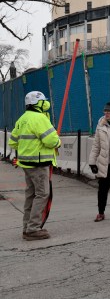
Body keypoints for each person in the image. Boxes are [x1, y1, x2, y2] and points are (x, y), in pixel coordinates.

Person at [9, 91, 61, 241]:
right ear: (38, 103)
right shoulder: (40, 118)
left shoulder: (22, 119)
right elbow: (51, 141)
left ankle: (27, 227)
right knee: (42, 194)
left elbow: (12, 141)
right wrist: (58, 142)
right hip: (39, 164)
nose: (46, 103)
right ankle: (33, 229)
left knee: (31, 195)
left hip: (26, 163)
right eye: (43, 101)